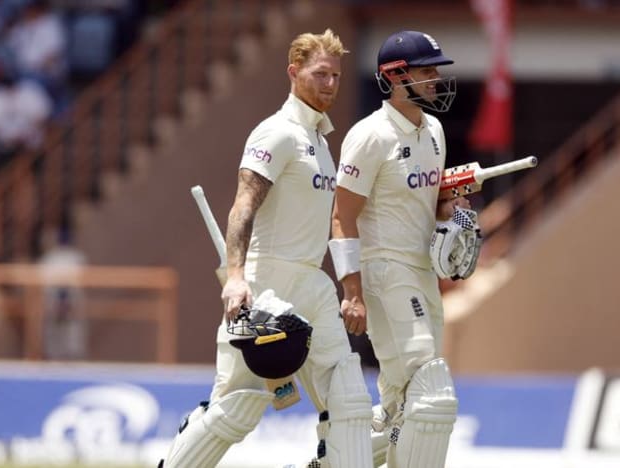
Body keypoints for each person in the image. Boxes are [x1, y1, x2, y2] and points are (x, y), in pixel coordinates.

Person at [159, 29, 373, 468]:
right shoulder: (276, 133)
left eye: (335, 75)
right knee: (234, 409)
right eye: (319, 74)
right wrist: (237, 277)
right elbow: (243, 205)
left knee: (350, 404)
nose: (330, 84)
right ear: (293, 73)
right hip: (266, 286)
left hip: (314, 284)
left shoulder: (321, 142)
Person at [329, 30, 470, 468]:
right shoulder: (370, 135)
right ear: (395, 76)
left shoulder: (435, 130)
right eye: (427, 71)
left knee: (399, 404)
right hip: (384, 270)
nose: (435, 80)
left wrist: (453, 208)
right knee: (430, 389)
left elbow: (430, 203)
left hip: (423, 272)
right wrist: (351, 292)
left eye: (436, 71)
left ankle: (333, 461)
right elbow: (340, 216)